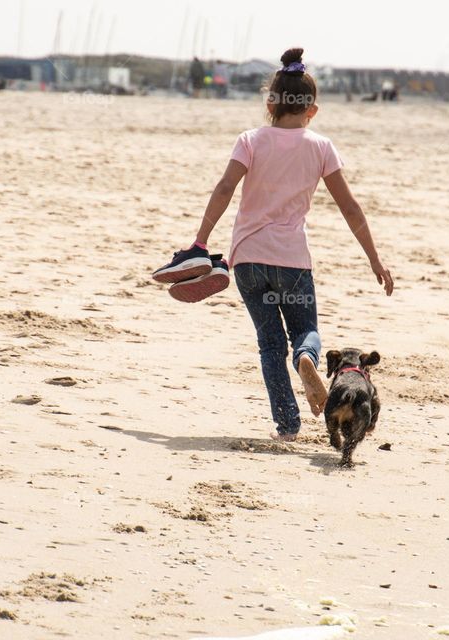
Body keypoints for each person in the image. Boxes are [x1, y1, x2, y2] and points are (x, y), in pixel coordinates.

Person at [154, 47, 393, 442]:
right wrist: (374, 259)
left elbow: (225, 187)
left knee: (268, 345)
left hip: (246, 261)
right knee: (306, 330)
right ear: (312, 109)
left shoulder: (250, 140)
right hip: (292, 263)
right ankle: (305, 359)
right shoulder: (320, 147)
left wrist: (200, 241)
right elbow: (350, 207)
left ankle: (287, 424)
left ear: (270, 104)